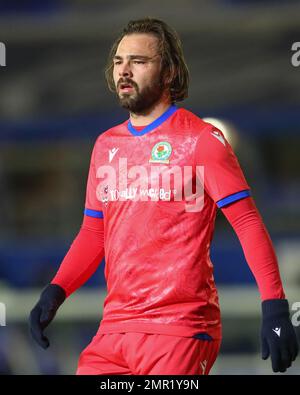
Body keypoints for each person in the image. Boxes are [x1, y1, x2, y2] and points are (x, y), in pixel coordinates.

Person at [29, 17, 298, 375]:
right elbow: (95, 234)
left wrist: (275, 306)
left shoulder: (202, 141)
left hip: (180, 329)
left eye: (138, 61)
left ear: (168, 72)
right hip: (114, 331)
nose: (125, 70)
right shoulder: (105, 146)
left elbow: (247, 223)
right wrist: (56, 290)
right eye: (118, 62)